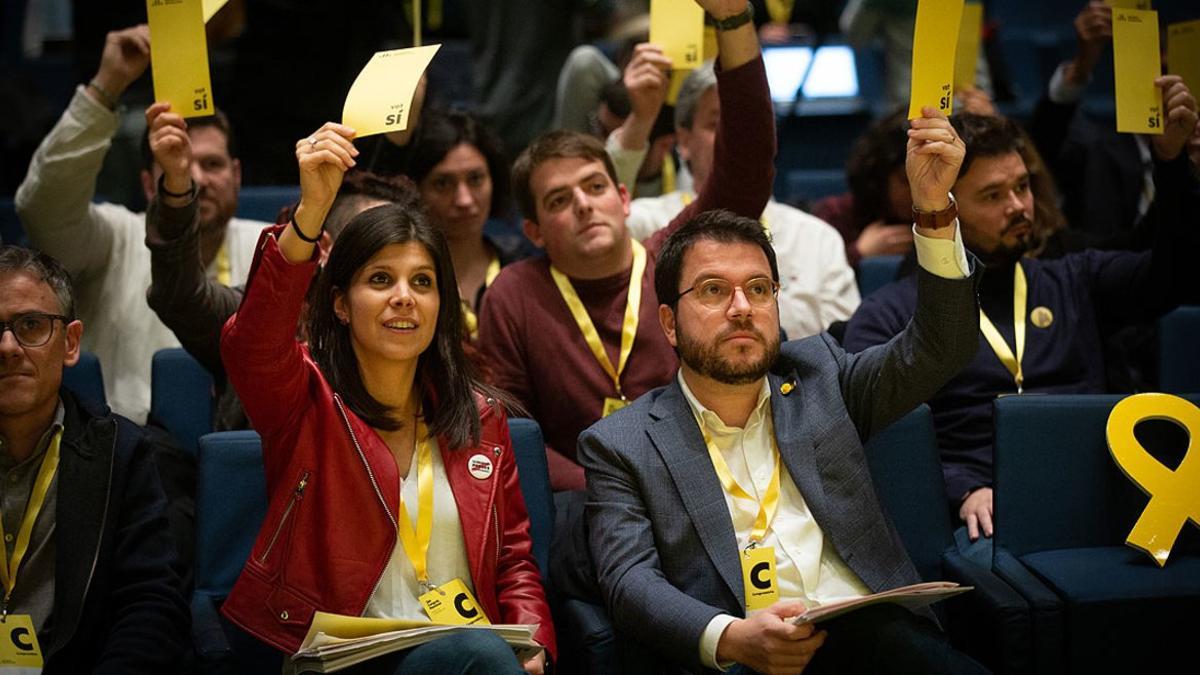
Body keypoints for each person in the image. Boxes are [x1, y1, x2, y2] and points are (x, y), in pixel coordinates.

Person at [579, 107, 988, 673]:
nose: (742, 308)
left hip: (874, 635)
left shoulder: (824, 377)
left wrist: (936, 212)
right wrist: (730, 637)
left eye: (758, 288)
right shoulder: (621, 443)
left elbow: (941, 347)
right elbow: (629, 582)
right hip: (747, 657)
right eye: (714, 290)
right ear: (669, 324)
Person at [219, 122, 555, 672]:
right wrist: (311, 214)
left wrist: (535, 641)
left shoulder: (480, 415)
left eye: (422, 282)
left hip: (469, 655)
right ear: (341, 304)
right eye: (380, 279)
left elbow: (514, 560)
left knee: (476, 654)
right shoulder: (304, 402)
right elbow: (252, 343)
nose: (404, 298)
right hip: (347, 660)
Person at [843, 83, 1200, 545]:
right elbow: (877, 433)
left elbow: (1178, 276)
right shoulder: (888, 314)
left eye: (1022, 186)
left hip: (1101, 492)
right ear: (947, 207)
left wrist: (1173, 167)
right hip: (982, 514)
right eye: (992, 196)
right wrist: (960, 488)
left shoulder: (1075, 280)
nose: (1019, 207)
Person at [479, 0, 776, 491]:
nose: (582, 205)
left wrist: (734, 23)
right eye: (559, 199)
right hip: (588, 505)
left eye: (595, 188)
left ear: (623, 198)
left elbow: (746, 167)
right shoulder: (514, 294)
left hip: (708, 482)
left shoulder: (675, 253)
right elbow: (509, 432)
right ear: (533, 230)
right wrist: (605, 489)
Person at [14, 24, 268, 423]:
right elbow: (42, 205)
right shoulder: (114, 237)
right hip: (124, 456)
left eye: (212, 164)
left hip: (246, 451)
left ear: (237, 175)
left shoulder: (272, 247)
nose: (196, 177)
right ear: (149, 183)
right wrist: (106, 87)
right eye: (177, 162)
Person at [145, 94, 420, 432]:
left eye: (419, 277)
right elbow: (180, 295)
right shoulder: (258, 320)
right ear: (325, 249)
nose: (403, 294)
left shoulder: (427, 325)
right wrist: (176, 186)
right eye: (372, 247)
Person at [0, 245, 188, 672]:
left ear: (70, 344)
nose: (8, 347)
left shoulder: (123, 454)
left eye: (31, 326)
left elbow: (150, 604)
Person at [625, 61, 861, 339]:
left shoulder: (816, 237)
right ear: (684, 142)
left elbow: (842, 343)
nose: (733, 141)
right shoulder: (646, 222)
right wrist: (639, 122)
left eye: (744, 130)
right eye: (716, 125)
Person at [406, 110, 527, 339]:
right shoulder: (402, 284)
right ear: (416, 190)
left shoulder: (524, 270)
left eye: (475, 179)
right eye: (443, 183)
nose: (464, 200)